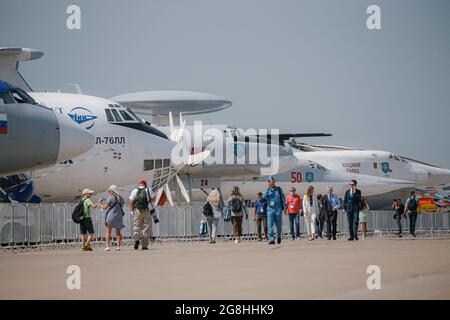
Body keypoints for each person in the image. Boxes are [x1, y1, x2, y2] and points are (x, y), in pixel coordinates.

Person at [129, 179, 156, 250]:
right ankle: (144, 246)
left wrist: (132, 211)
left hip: (137, 211)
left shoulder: (135, 191)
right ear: (145, 184)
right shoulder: (149, 190)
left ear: (139, 184)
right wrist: (149, 201)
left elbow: (131, 202)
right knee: (146, 228)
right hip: (147, 211)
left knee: (136, 226)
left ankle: (136, 238)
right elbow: (153, 200)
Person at [101, 185, 125, 251]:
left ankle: (107, 246)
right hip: (119, 216)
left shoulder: (110, 198)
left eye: (109, 191)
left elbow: (105, 207)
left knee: (108, 232)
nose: (109, 192)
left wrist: (100, 205)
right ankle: (118, 246)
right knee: (118, 232)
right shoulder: (121, 198)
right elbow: (121, 205)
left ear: (112, 191)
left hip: (111, 216)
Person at [263, 176, 286, 245]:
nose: (272, 183)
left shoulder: (279, 189)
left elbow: (283, 198)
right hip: (270, 209)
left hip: (278, 208)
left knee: (279, 225)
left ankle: (278, 236)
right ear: (268, 182)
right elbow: (264, 197)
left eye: (273, 182)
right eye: (271, 182)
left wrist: (284, 207)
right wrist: (268, 189)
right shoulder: (267, 190)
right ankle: (272, 239)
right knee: (270, 225)